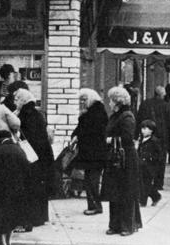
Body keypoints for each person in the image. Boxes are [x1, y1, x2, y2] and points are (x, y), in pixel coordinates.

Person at [102, 85, 141, 236]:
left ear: (117, 102)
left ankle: (127, 225)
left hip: (126, 160)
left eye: (111, 101)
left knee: (126, 193)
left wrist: (110, 139)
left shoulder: (127, 116)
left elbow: (127, 137)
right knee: (114, 192)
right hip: (115, 159)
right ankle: (115, 224)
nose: (109, 104)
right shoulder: (115, 116)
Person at [13, 88, 53, 230]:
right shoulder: (37, 114)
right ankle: (40, 217)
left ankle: (30, 219)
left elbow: (24, 136)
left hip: (30, 156)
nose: (15, 102)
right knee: (39, 187)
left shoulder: (24, 115)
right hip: (42, 155)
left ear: (23, 101)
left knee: (29, 187)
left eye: (17, 99)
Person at [70, 88, 109, 216]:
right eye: (81, 100)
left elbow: (88, 130)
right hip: (92, 152)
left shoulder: (95, 113)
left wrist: (77, 135)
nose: (82, 102)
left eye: (85, 99)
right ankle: (93, 204)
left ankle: (95, 205)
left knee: (91, 180)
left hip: (94, 153)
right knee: (90, 180)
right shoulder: (93, 112)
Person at [136, 85, 170, 190]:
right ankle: (158, 183)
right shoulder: (166, 106)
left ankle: (147, 180)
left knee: (146, 158)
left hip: (147, 135)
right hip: (162, 137)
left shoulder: (145, 104)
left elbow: (138, 119)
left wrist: (136, 135)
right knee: (161, 160)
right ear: (162, 94)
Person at [137, 119, 163, 207]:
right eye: (142, 128)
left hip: (150, 166)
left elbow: (159, 154)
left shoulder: (154, 141)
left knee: (146, 183)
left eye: (146, 128)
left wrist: (153, 159)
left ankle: (142, 201)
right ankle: (156, 196)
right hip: (141, 164)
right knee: (143, 183)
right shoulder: (141, 140)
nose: (143, 130)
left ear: (151, 130)